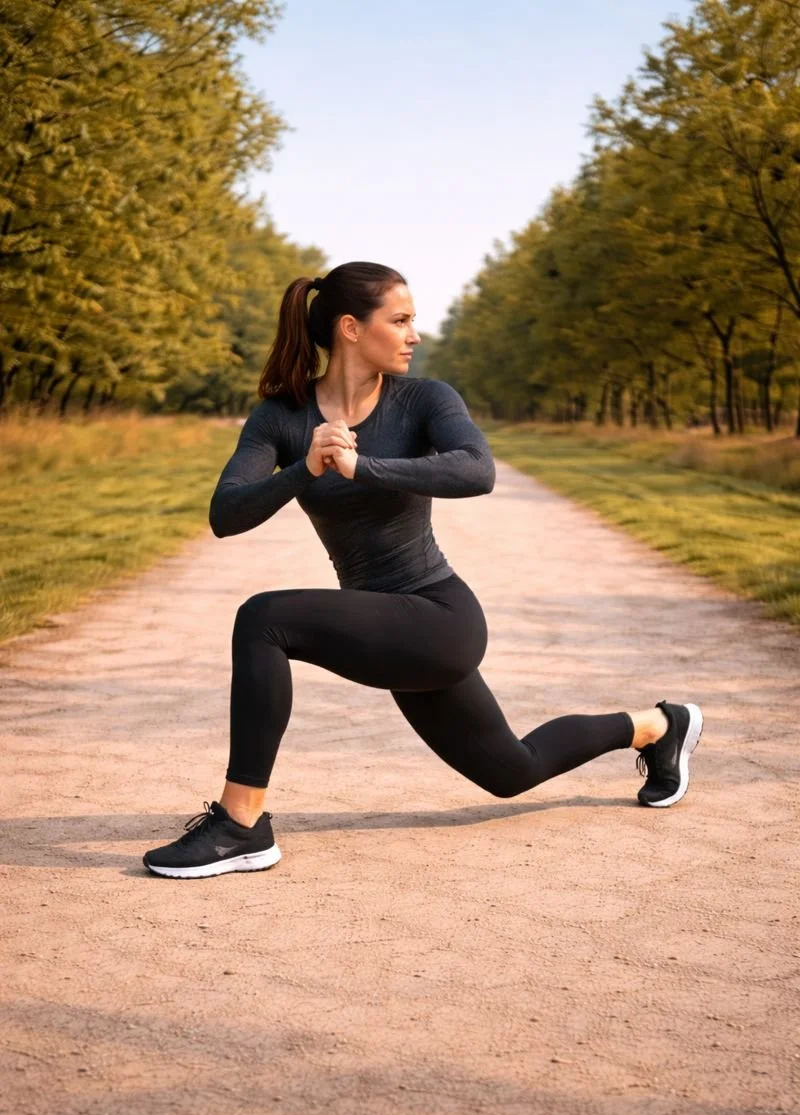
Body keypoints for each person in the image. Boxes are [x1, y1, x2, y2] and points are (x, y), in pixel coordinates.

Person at [143, 261, 703, 880]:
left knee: (263, 619)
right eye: (401, 320)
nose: (415, 335)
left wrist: (364, 468)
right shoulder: (283, 417)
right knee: (511, 771)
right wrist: (306, 468)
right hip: (385, 627)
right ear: (351, 328)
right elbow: (225, 513)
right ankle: (659, 725)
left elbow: (476, 469)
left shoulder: (425, 400)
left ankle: (241, 824)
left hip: (439, 618)